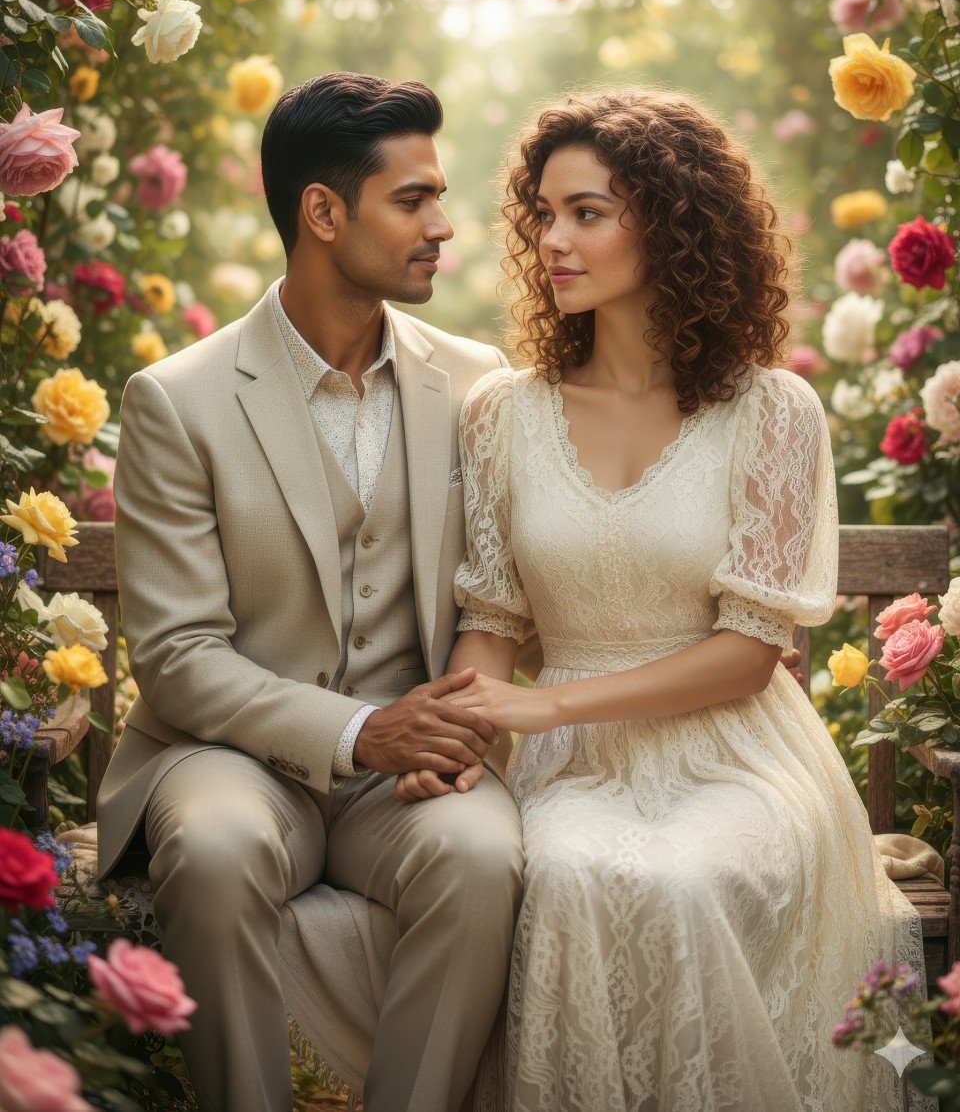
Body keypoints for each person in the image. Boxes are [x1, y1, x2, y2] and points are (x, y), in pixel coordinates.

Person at [402, 89, 927, 1111]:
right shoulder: (502, 415)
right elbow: (496, 622)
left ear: (676, 223)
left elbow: (746, 651)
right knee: (564, 878)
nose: (552, 239)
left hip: (739, 758)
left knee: (682, 882)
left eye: (587, 212)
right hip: (577, 774)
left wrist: (542, 706)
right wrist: (455, 735)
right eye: (543, 214)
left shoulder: (772, 410)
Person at [95, 72, 527, 1112]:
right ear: (322, 212)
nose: (445, 226)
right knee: (214, 846)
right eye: (413, 200)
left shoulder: (478, 382)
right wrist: (362, 728)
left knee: (484, 856)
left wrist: (443, 733)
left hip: (411, 779)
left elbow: (492, 601)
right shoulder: (180, 401)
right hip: (228, 757)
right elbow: (180, 656)